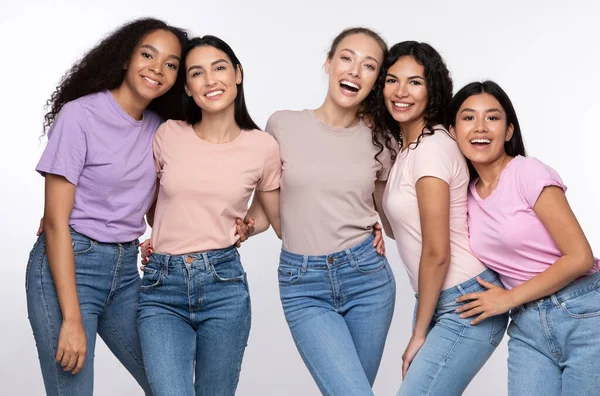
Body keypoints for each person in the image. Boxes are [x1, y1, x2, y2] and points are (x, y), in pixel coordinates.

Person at [26, 18, 188, 396]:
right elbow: (55, 222)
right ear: (125, 58)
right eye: (148, 55)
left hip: (126, 273)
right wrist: (71, 318)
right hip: (68, 266)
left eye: (171, 64)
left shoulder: (161, 128)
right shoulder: (80, 116)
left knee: (171, 385)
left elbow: (153, 209)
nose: (157, 68)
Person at [136, 35, 281, 396]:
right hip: (160, 286)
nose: (210, 80)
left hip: (223, 285)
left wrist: (249, 226)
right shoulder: (168, 134)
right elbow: (151, 206)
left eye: (219, 68)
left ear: (238, 74)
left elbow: (270, 217)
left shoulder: (262, 146)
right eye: (196, 73)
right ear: (187, 86)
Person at [257, 27, 396, 396]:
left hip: (367, 277)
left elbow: (394, 216)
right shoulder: (282, 125)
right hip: (304, 284)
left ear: (376, 81)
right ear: (329, 63)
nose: (354, 70)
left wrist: (378, 225)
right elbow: (262, 208)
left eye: (369, 66)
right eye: (347, 58)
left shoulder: (380, 139)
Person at [370, 41, 508, 395]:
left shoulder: (431, 149)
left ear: (433, 88)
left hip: (465, 300)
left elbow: (436, 251)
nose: (401, 92)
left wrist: (419, 332)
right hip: (440, 297)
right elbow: (400, 230)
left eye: (415, 82)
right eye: (391, 80)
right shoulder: (407, 151)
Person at [448, 80, 600, 396]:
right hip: (528, 326)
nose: (480, 127)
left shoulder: (528, 172)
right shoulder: (466, 197)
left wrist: (507, 298)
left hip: (584, 312)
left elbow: (580, 257)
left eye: (492, 117)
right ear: (452, 131)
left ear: (508, 131)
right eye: (468, 117)